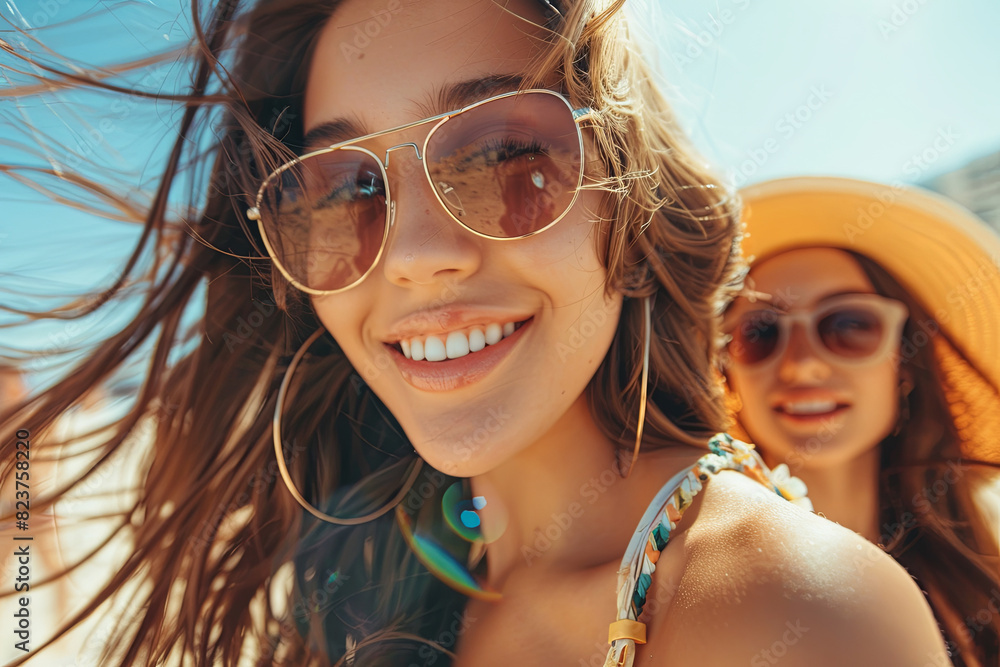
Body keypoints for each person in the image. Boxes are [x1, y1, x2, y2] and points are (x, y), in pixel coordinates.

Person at [1, 3, 952, 666]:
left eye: (503, 155)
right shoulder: (384, 591)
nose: (415, 256)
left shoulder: (795, 614)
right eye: (341, 191)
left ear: (633, 216)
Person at [722, 176, 1000, 667]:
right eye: (760, 332)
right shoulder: (699, 578)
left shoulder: (989, 543)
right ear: (727, 369)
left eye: (850, 324)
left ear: (906, 359)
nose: (802, 366)